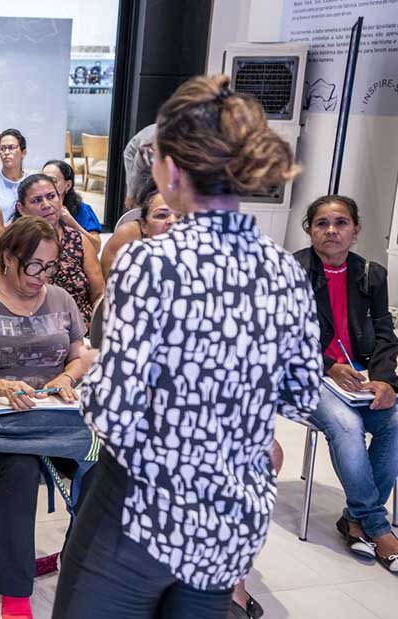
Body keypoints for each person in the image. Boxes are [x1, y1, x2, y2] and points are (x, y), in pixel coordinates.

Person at [54, 75, 321, 618]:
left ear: (172, 169)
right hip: (230, 518)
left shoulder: (151, 262)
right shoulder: (285, 269)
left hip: (143, 511)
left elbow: (115, 410)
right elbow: (299, 394)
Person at [0, 216, 95, 618]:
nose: (41, 276)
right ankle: (15, 595)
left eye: (49, 267)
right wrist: (3, 387)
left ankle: (79, 562)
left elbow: (79, 356)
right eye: (33, 266)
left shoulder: (61, 299)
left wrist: (66, 378)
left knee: (102, 463)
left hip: (52, 416)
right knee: (22, 471)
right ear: (8, 257)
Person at [294, 195, 398, 573]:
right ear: (310, 230)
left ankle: (354, 519)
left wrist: (386, 382)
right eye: (322, 223)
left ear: (356, 230)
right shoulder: (291, 273)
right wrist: (328, 365)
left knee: (394, 421)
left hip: (360, 374)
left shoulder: (371, 274)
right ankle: (376, 525)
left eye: (340, 223)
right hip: (305, 375)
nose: (331, 231)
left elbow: (386, 333)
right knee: (346, 424)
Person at [12, 174, 104, 325]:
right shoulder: (13, 245)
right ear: (22, 209)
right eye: (36, 200)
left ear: (61, 199)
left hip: (81, 328)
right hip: (30, 328)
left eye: (51, 196)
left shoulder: (79, 240)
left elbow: (99, 294)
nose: (46, 204)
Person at [99, 180, 178, 277]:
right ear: (144, 225)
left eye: (181, 216)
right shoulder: (128, 235)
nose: (173, 221)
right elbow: (108, 282)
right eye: (161, 215)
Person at [41, 160, 101, 253]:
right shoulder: (35, 207)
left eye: (53, 181)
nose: (46, 185)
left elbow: (96, 247)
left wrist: (71, 222)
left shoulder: (82, 209)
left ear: (68, 185)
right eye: (43, 179)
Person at [0, 128, 30, 223]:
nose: (6, 152)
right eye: (2, 149)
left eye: (11, 148)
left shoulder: (31, 181)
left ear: (23, 152)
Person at [122, 123, 156, 209]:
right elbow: (136, 171)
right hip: (133, 154)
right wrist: (130, 195)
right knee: (138, 196)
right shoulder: (148, 146)